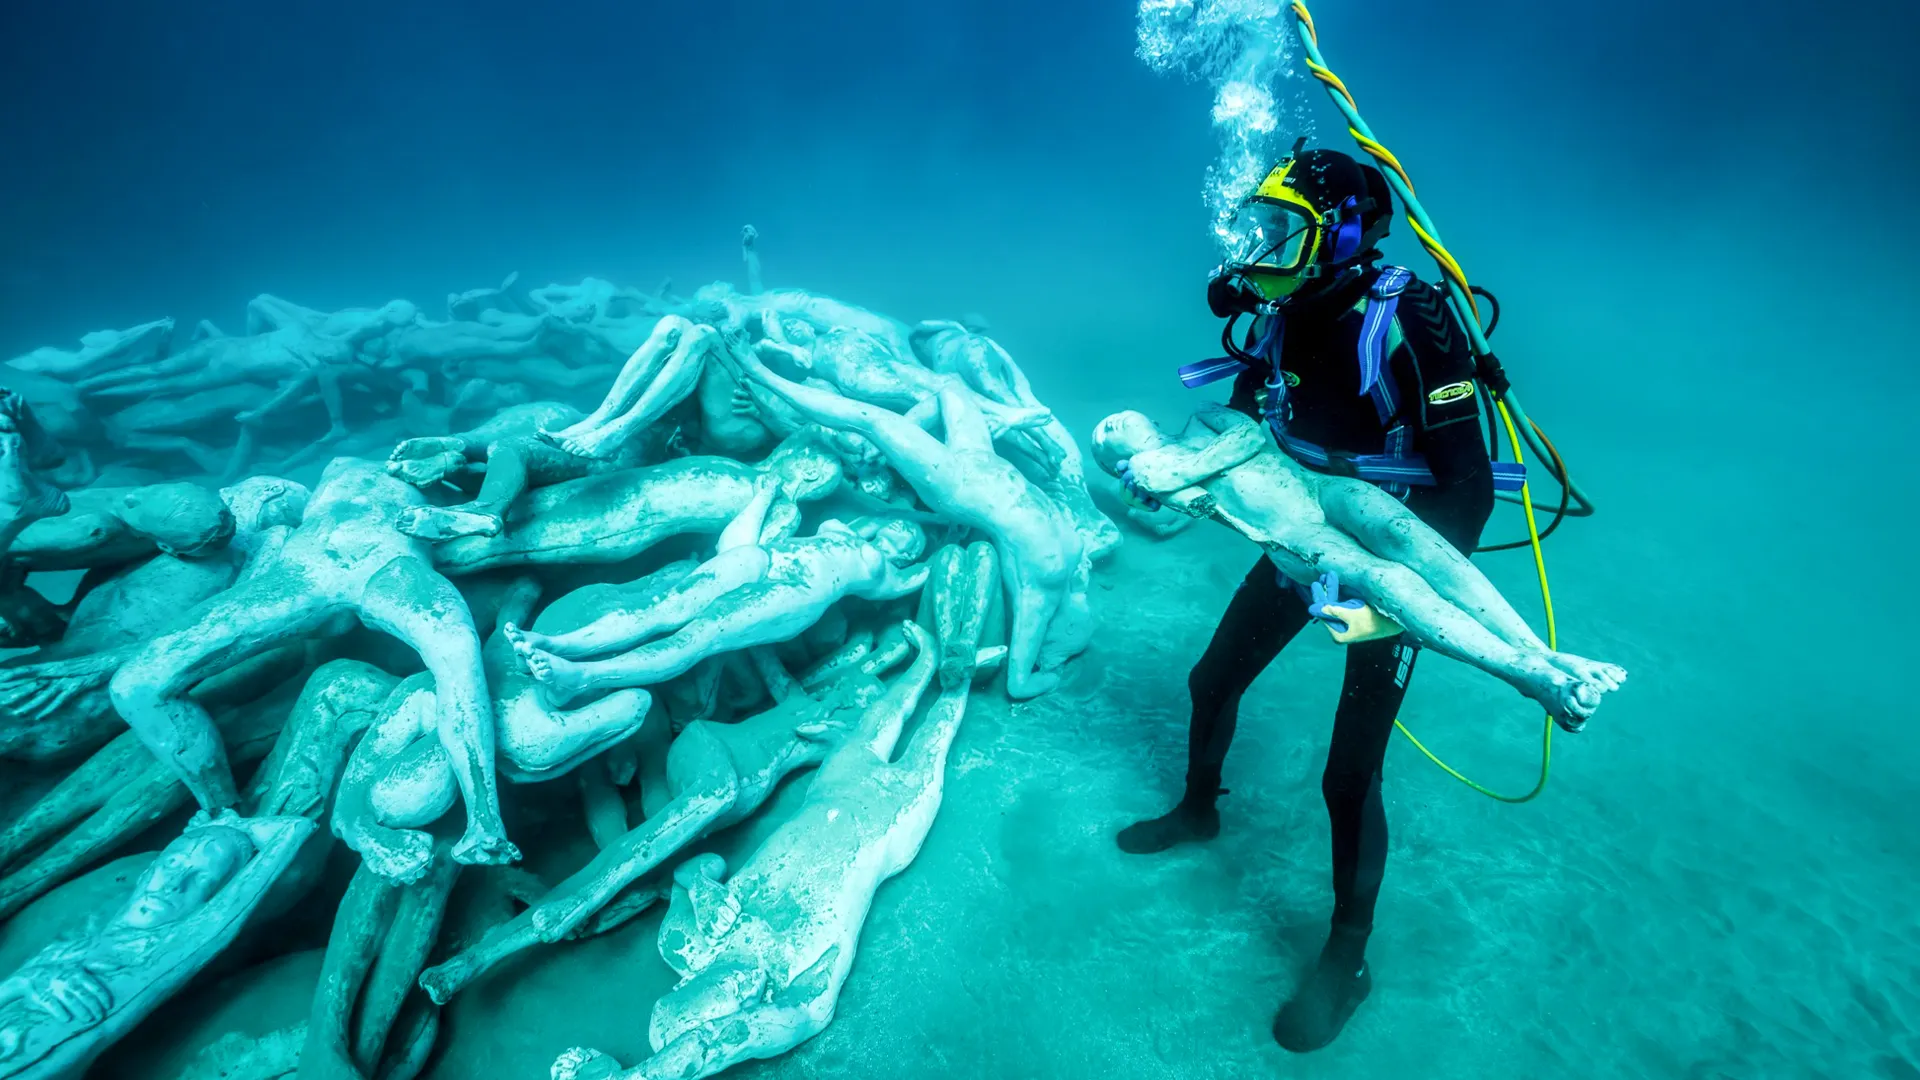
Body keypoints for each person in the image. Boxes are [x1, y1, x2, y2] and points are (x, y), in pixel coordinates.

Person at [1116, 146, 1520, 1052]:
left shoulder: (1409, 318)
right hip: (1308, 544)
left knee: (1349, 771)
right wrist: (1185, 479)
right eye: (1259, 229)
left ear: (1339, 234)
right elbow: (1251, 431)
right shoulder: (1279, 313)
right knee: (1211, 678)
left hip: (1389, 565)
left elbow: (1468, 492)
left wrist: (1390, 603)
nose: (1262, 250)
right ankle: (1198, 809)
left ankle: (1349, 957)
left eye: (1282, 230)